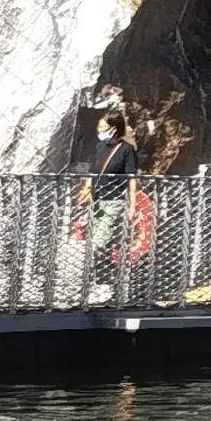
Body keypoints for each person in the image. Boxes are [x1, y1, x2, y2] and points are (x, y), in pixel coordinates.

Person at [73, 105, 141, 303]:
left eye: (103, 128)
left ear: (114, 129)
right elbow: (94, 170)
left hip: (115, 201)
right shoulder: (100, 146)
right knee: (93, 243)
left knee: (101, 243)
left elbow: (131, 177)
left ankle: (106, 283)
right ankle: (100, 282)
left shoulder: (127, 150)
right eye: (99, 128)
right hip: (98, 200)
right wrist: (86, 188)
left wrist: (132, 203)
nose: (100, 132)